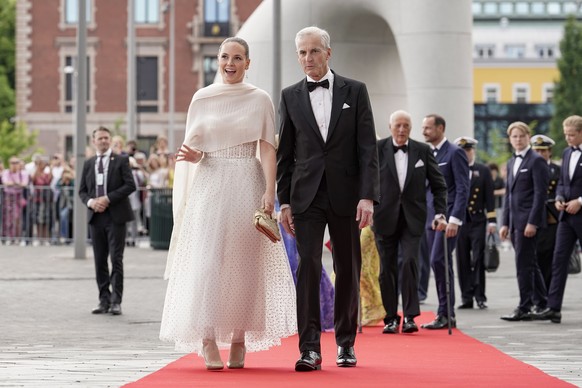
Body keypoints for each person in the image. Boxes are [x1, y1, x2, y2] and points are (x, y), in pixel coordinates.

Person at [159, 37, 296, 371]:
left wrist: (268, 191)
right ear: (217, 60)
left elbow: (266, 149)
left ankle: (238, 339)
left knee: (246, 265)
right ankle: (206, 338)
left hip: (247, 182)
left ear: (248, 62)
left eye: (237, 58)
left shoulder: (260, 99)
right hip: (210, 183)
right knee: (208, 262)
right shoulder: (202, 98)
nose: (230, 63)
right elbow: (194, 146)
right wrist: (194, 155)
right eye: (224, 57)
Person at [277, 26, 379, 371]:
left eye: (314, 51)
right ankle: (309, 349)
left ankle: (346, 343)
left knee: (348, 268)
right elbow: (284, 154)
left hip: (348, 197)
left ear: (328, 53)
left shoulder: (356, 90)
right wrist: (285, 202)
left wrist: (367, 197)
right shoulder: (290, 95)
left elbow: (368, 149)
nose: (308, 58)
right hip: (305, 197)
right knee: (307, 267)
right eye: (302, 53)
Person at [373, 110, 447, 334]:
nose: (402, 129)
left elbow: (438, 184)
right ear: (390, 127)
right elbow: (364, 181)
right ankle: (390, 317)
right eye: (398, 125)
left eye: (406, 125)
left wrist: (440, 213)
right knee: (387, 269)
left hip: (413, 219)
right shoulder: (377, 149)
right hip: (384, 218)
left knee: (409, 264)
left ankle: (410, 316)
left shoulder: (422, 150)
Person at [79, 126, 136, 316]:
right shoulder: (89, 163)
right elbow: (82, 191)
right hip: (97, 217)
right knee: (99, 260)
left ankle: (116, 301)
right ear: (93, 141)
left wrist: (107, 198)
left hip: (116, 216)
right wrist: (91, 202)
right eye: (100, 138)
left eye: (106, 138)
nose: (103, 141)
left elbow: (130, 185)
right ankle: (103, 299)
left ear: (110, 140)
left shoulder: (121, 160)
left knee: (116, 259)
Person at [420, 114, 470, 330]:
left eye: (428, 128)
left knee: (439, 260)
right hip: (430, 218)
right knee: (437, 262)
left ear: (441, 128)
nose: (424, 132)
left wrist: (455, 219)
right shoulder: (426, 153)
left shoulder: (455, 152)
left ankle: (446, 312)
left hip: (448, 218)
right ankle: (445, 312)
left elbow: (462, 188)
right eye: (423, 128)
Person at [533, 115, 582, 324]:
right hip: (565, 216)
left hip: (580, 211)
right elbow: (562, 182)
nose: (568, 138)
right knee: (558, 260)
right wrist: (560, 198)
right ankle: (553, 307)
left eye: (572, 135)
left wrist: (580, 200)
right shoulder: (566, 152)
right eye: (566, 135)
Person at [499, 122, 548, 321]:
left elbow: (540, 194)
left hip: (527, 222)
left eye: (521, 136)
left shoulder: (536, 160)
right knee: (530, 263)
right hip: (514, 222)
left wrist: (532, 222)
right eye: (514, 137)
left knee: (523, 265)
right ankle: (543, 302)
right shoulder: (511, 162)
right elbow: (509, 195)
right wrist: (504, 222)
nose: (518, 140)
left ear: (528, 137)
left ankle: (524, 306)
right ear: (510, 140)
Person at [453, 137, 497, 310]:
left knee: (478, 258)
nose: (466, 154)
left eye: (468, 150)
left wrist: (492, 220)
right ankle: (466, 297)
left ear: (473, 151)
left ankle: (480, 296)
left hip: (478, 220)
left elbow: (490, 197)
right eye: (462, 151)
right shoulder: (454, 169)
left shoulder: (483, 170)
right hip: (460, 221)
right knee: (462, 259)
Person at [530, 134, 560, 292]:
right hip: (533, 217)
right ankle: (537, 294)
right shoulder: (529, 166)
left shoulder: (556, 170)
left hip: (551, 218)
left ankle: (548, 292)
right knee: (533, 258)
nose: (540, 154)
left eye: (543, 151)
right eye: (537, 151)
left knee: (548, 257)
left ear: (549, 152)